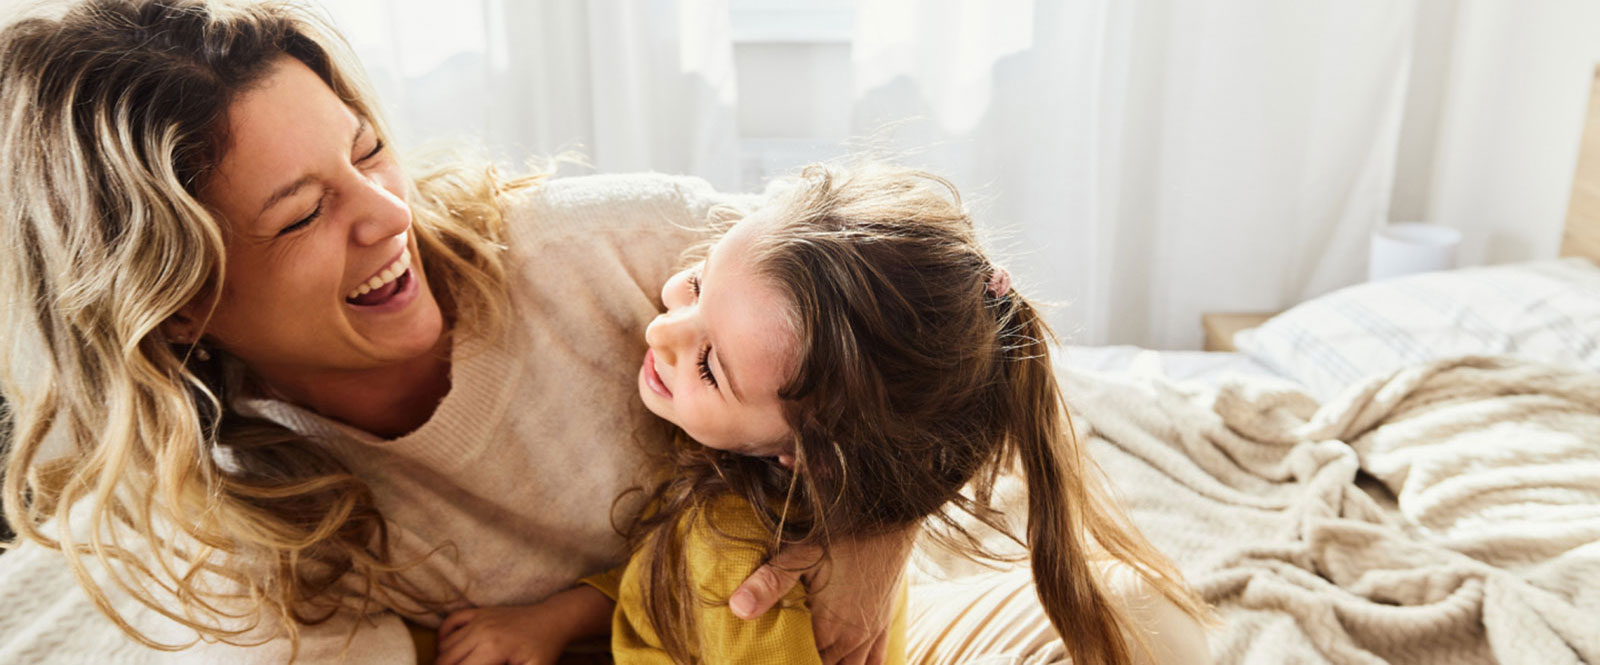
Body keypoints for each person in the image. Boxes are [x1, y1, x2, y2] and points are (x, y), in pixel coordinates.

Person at [0, 1, 904, 662]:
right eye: (303, 214)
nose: (389, 213)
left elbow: (953, 310)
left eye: (364, 150)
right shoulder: (236, 515)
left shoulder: (630, 252)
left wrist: (878, 528)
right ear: (181, 303)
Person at [432, 164, 1213, 665]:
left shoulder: (749, 582)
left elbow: (694, 593)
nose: (662, 329)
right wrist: (548, 622)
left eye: (708, 363)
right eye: (697, 283)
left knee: (1141, 614)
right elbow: (655, 583)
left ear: (807, 450)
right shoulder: (748, 502)